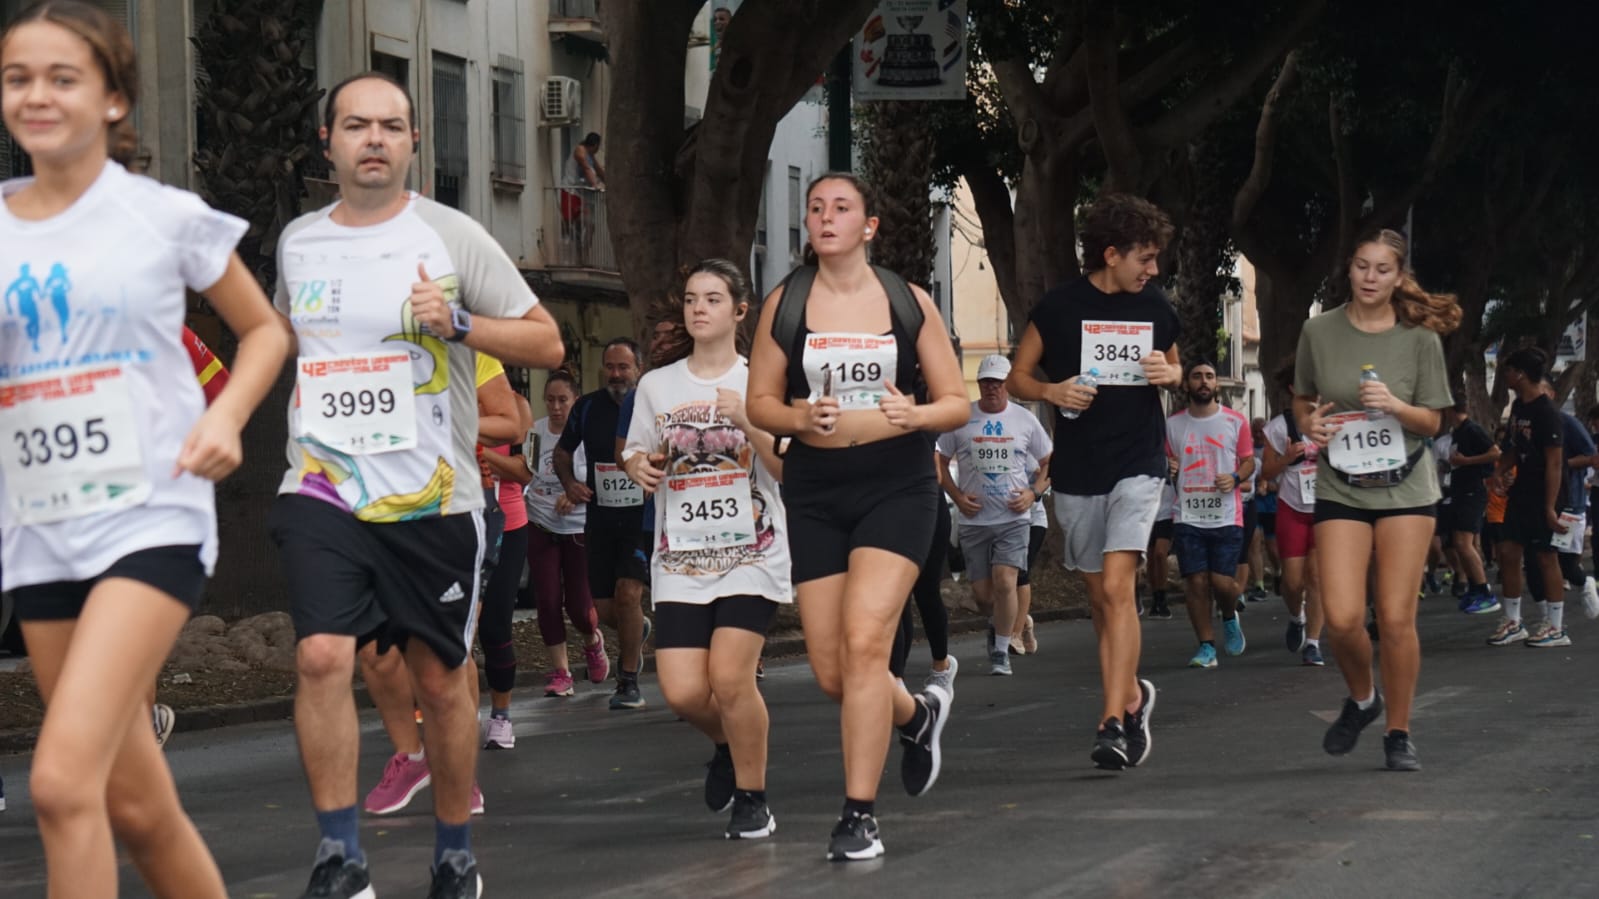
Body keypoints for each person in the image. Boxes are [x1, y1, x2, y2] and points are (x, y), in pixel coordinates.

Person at [0, 3, 289, 895]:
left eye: (63, 77)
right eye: (18, 78)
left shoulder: (163, 217)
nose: (37, 95)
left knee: (58, 783)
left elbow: (263, 331)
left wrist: (225, 417)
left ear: (115, 97)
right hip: (41, 522)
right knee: (138, 805)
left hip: (149, 515)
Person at [269, 70, 564, 899]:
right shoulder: (297, 243)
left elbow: (545, 346)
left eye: (390, 126)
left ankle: (453, 850)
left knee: (440, 679)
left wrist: (460, 323)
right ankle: (339, 856)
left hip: (435, 499)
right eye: (355, 124)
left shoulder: (452, 236)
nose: (372, 139)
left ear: (411, 143)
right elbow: (294, 348)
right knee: (324, 653)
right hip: (323, 485)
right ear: (328, 140)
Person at [746, 172, 966, 860]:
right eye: (815, 208)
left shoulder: (907, 301)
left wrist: (917, 413)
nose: (825, 217)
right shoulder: (786, 302)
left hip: (895, 486)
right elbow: (758, 403)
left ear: (868, 225)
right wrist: (797, 416)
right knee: (834, 672)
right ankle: (917, 710)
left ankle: (858, 815)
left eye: (841, 207)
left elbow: (955, 399)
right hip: (815, 489)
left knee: (867, 642)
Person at [1006, 192, 1182, 770]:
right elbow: (1017, 378)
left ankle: (1110, 721)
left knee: (1116, 589)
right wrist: (1053, 392)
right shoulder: (1058, 309)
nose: (1153, 271)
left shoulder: (1155, 307)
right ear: (1112, 254)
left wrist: (1168, 372)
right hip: (1080, 468)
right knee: (1102, 601)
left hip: (1139, 460)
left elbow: (1176, 366)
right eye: (1146, 258)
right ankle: (1132, 696)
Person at [621, 258, 790, 839]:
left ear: (740, 312)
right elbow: (634, 452)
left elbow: (787, 469)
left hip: (752, 553)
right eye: (692, 298)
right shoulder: (656, 385)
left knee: (730, 677)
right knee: (685, 690)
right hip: (682, 559)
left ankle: (754, 797)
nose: (699, 308)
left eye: (713, 299)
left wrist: (750, 418)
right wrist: (641, 466)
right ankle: (725, 741)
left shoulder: (762, 382)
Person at [1296, 228, 1456, 772]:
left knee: (1393, 617)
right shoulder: (1318, 331)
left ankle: (1399, 732)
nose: (1370, 278)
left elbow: (1433, 420)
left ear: (1398, 276)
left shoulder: (1419, 339)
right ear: (1349, 268)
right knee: (1341, 619)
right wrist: (1309, 424)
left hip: (1407, 486)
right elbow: (1301, 400)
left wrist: (1393, 404)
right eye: (1362, 266)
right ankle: (1364, 699)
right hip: (1341, 483)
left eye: (1382, 269)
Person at [935, 354, 1052, 676]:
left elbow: (1049, 461)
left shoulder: (1025, 420)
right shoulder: (961, 418)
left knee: (1006, 581)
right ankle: (1003, 622)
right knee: (984, 596)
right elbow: (939, 461)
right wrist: (957, 497)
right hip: (975, 519)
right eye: (986, 382)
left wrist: (1033, 494)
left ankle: (1002, 650)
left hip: (1013, 519)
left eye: (998, 383)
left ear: (1007, 385)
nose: (992, 388)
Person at [555, 338, 652, 710]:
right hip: (599, 518)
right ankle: (634, 629)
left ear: (638, 369)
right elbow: (562, 452)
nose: (615, 374)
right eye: (609, 366)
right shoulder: (587, 407)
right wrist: (569, 484)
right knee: (606, 607)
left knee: (629, 594)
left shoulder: (648, 405)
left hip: (638, 520)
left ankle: (628, 682)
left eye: (623, 367)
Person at [1165, 361, 1253, 668]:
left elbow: (1248, 461)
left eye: (1209, 377)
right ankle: (1206, 647)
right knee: (1197, 582)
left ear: (1217, 384)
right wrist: (1169, 467)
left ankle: (1229, 614)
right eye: (1197, 376)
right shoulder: (1172, 425)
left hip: (1227, 515)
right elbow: (1165, 462)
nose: (1203, 381)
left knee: (1221, 582)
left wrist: (1236, 478)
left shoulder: (1235, 421)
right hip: (1187, 513)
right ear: (1187, 384)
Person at [525, 370, 608, 696]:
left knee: (579, 605)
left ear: (576, 400)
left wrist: (573, 490)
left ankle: (592, 640)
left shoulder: (588, 432)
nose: (556, 407)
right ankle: (560, 672)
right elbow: (525, 472)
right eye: (550, 400)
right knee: (546, 600)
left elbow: (604, 473)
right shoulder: (535, 432)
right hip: (540, 522)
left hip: (579, 526)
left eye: (563, 400)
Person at [1259, 355, 1326, 666]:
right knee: (1293, 581)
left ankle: (1313, 642)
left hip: (1325, 508)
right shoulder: (1278, 427)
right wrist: (1286, 458)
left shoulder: (1331, 420)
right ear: (1292, 387)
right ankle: (1295, 616)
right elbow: (1267, 474)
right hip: (1292, 508)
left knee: (1316, 578)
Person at [1442, 400, 1501, 614]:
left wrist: (1468, 461)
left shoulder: (1472, 429)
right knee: (1459, 543)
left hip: (1472, 492)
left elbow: (1495, 452)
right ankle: (1476, 588)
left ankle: (1485, 592)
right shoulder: (1456, 433)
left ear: (1451, 409)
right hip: (1459, 490)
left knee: (1465, 543)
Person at [1144, 474, 1178, 620]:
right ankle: (1155, 597)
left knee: (1160, 553)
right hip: (1148, 511)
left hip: (1168, 511)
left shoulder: (1172, 455)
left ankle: (1162, 597)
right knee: (1151, 557)